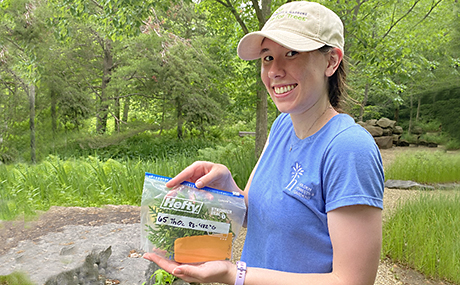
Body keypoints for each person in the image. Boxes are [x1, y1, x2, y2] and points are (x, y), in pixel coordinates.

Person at [143, 1, 384, 284]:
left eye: (292, 53)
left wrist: (236, 275)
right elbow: (256, 215)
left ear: (331, 61)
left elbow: (352, 280)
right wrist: (227, 190)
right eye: (268, 57)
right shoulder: (282, 126)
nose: (274, 71)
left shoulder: (348, 148)